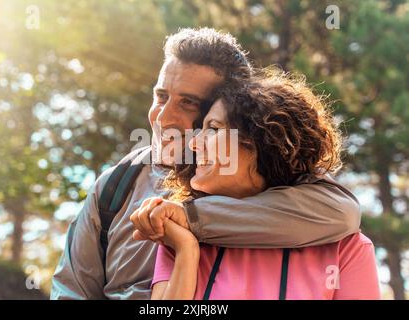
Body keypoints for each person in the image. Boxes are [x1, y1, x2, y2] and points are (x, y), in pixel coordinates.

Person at [51, 28, 361, 300]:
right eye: (161, 96)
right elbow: (72, 290)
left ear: (229, 107)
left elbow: (342, 212)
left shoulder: (275, 179)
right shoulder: (115, 186)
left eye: (188, 102)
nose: (162, 117)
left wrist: (188, 219)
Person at [145, 69, 380, 300]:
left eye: (213, 129)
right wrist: (187, 250)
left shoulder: (346, 248)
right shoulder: (178, 234)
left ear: (263, 142)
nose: (194, 144)